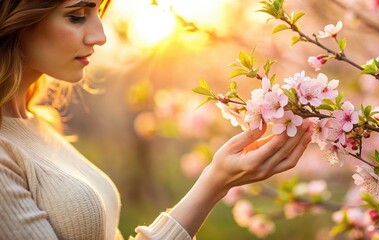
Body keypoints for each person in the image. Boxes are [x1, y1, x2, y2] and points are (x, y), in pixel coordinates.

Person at [0, 0, 313, 239]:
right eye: (77, 16)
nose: (100, 36)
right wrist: (214, 183)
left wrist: (216, 181)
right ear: (16, 18)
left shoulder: (41, 122)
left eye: (99, 14)